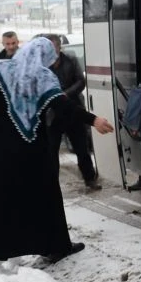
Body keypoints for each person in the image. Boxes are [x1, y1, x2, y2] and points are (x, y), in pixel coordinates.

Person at [0, 35, 114, 276]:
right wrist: (94, 120)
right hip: (33, 152)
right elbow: (64, 108)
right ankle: (56, 246)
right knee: (45, 197)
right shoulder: (44, 78)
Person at [44, 33, 99, 190]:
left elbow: (81, 82)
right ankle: (51, 184)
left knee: (81, 148)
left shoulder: (70, 60)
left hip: (72, 109)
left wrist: (66, 94)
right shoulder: (42, 65)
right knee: (51, 150)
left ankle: (90, 178)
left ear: (59, 47)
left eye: (53, 47)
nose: (51, 52)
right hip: (52, 114)